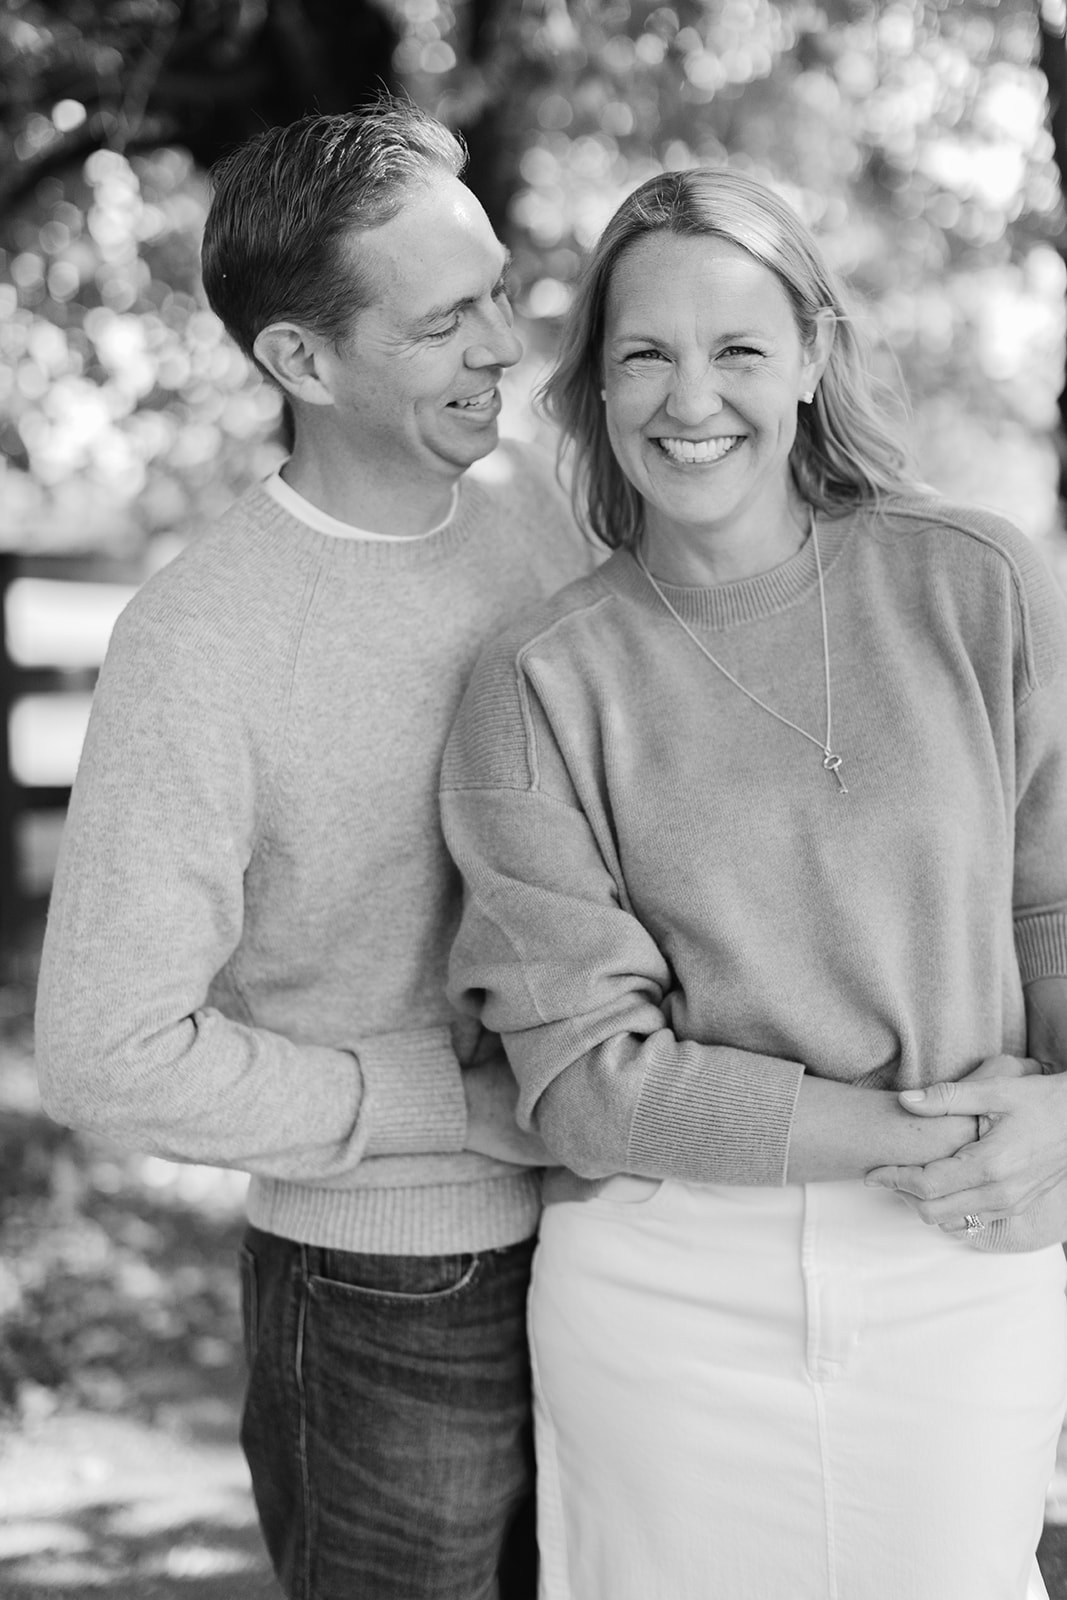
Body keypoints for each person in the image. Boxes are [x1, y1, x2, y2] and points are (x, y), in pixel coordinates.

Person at [439, 166, 1067, 1600]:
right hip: (670, 1283)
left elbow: (1056, 906)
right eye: (643, 353)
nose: (689, 398)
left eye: (737, 349)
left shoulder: (977, 585)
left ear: (813, 358)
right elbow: (590, 1076)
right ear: (594, 387)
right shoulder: (541, 679)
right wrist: (925, 1136)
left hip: (962, 1264)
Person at [34, 102, 591, 1600]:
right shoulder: (201, 638)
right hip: (386, 1289)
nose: (503, 349)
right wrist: (431, 1107)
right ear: (301, 360)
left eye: (495, 295)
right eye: (444, 322)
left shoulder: (534, 522)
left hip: (615, 1236)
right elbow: (106, 1050)